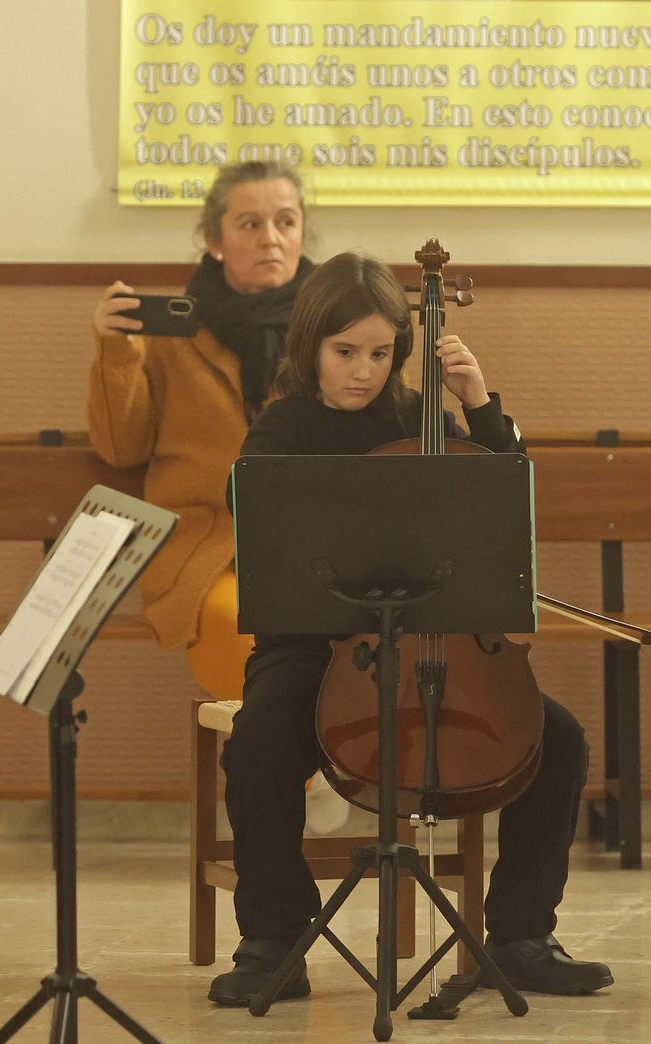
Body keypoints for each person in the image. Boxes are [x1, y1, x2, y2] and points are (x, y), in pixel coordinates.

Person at [206, 251, 613, 1006]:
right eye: (345, 352)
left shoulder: (419, 420)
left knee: (557, 741)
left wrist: (479, 404)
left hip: (437, 644)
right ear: (311, 346)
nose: (363, 371)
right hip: (313, 647)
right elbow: (253, 512)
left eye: (380, 353)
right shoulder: (282, 426)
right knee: (258, 743)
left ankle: (521, 938)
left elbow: (504, 498)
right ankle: (273, 941)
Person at [89, 159, 313, 702]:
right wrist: (115, 353)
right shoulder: (174, 333)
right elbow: (121, 448)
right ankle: (287, 753)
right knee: (241, 627)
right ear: (215, 241)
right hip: (208, 547)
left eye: (286, 222)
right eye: (250, 224)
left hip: (313, 544)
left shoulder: (337, 327)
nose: (271, 239)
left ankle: (306, 754)